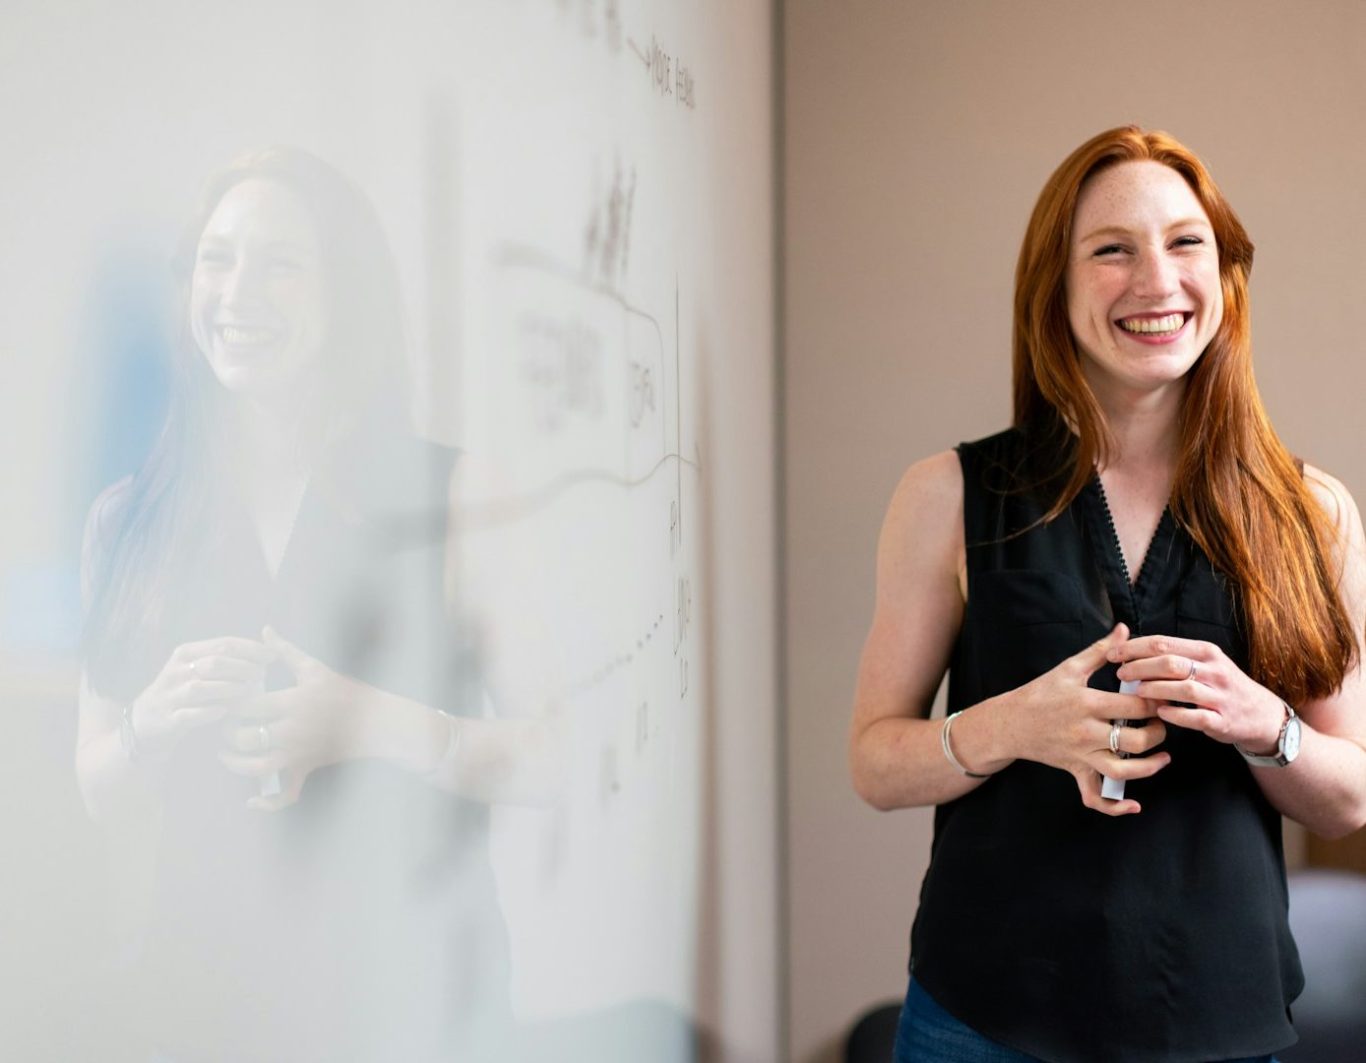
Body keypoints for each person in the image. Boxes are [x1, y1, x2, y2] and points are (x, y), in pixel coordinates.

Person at [849, 126, 1366, 1063]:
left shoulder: (1314, 512)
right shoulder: (948, 495)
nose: (1156, 281)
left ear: (1226, 274)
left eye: (1184, 242)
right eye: (1112, 249)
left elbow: (1350, 797)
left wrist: (1264, 723)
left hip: (1223, 1026)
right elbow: (875, 761)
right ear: (1055, 284)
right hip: (983, 1023)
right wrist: (1012, 726)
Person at [76, 147, 550, 1061]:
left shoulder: (457, 495)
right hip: (198, 999)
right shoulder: (125, 519)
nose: (238, 291)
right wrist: (151, 718)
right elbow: (98, 784)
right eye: (217, 260)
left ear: (348, 298)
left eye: (281, 264)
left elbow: (557, 755)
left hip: (416, 997)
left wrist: (366, 721)